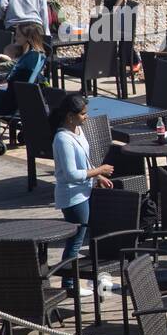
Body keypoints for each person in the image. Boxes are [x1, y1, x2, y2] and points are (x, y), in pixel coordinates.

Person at [51, 93, 114, 291]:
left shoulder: (78, 130)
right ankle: (69, 283)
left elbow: (85, 160)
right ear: (70, 116)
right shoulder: (62, 139)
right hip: (73, 196)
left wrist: (97, 177)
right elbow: (71, 174)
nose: (86, 117)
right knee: (76, 242)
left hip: (84, 191)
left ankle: (70, 281)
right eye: (83, 114)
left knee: (77, 239)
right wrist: (100, 170)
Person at [0, 22, 46, 115]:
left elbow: (14, 68)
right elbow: (17, 66)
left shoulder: (31, 56)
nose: (15, 38)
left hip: (12, 101)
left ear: (28, 38)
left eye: (18, 36)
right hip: (21, 98)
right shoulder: (38, 54)